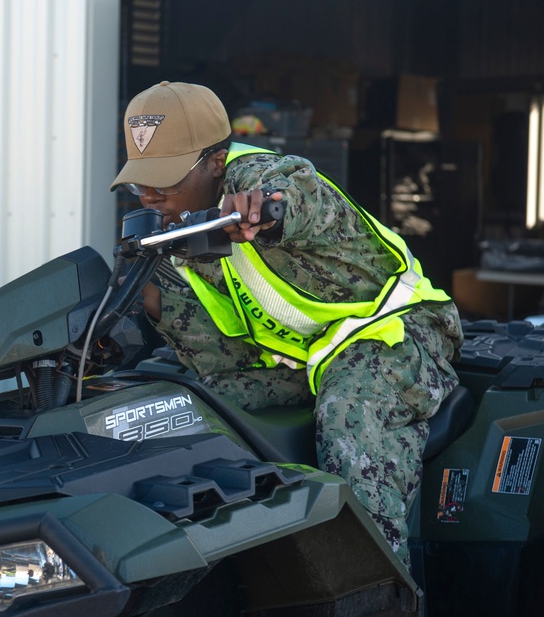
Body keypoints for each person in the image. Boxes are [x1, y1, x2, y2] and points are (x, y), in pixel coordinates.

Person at [110, 81, 463, 570]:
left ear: (216, 161)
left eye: (164, 180)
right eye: (139, 182)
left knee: (349, 414)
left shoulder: (253, 182)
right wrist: (155, 307)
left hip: (397, 333)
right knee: (195, 404)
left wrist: (266, 211)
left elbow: (299, 193)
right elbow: (228, 354)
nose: (149, 196)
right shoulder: (186, 234)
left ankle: (375, 584)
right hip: (312, 357)